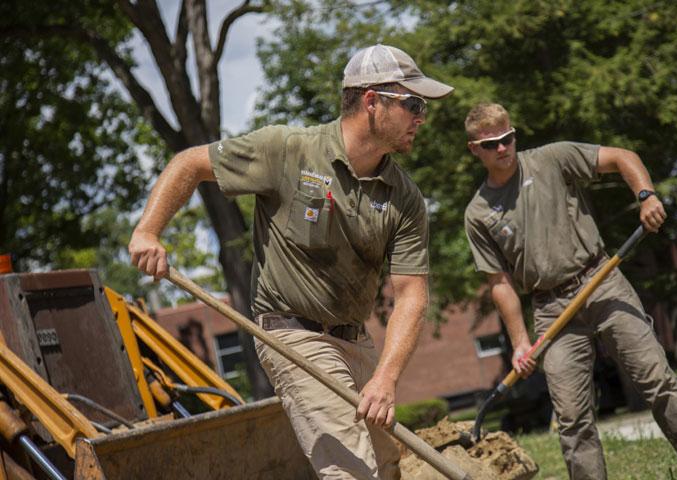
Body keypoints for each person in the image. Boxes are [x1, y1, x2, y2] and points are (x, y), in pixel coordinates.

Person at [129, 44, 453, 479]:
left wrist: (386, 377)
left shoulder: (404, 197)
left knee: (389, 465)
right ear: (371, 102)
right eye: (413, 104)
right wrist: (148, 232)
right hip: (293, 338)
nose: (421, 117)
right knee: (353, 471)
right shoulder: (287, 150)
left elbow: (411, 295)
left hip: (355, 344)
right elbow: (189, 163)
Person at [463, 103, 677, 480]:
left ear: (514, 134)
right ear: (475, 150)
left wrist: (646, 195)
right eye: (491, 144)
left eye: (507, 138)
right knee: (572, 418)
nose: (502, 148)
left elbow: (622, 157)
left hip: (601, 281)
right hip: (551, 309)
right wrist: (520, 342)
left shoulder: (552, 159)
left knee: (658, 382)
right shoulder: (478, 213)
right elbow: (499, 284)